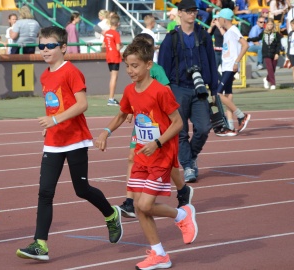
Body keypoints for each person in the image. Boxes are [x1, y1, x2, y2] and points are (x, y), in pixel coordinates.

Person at [15, 26, 123, 261]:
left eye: (50, 46)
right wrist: (50, 126)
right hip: (54, 141)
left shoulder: (71, 72)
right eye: (41, 45)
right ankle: (40, 244)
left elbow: (82, 104)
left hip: (75, 140)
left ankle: (111, 214)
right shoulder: (44, 75)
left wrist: (55, 119)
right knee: (45, 192)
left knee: (81, 189)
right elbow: (53, 104)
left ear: (63, 47)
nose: (45, 50)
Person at [96, 38, 198, 270]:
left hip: (161, 155)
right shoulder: (130, 91)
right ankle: (159, 254)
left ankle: (183, 216)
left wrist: (159, 142)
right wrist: (105, 132)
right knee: (140, 208)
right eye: (127, 66)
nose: (130, 71)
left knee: (144, 205)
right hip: (142, 155)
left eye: (135, 66)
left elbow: (178, 123)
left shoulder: (161, 91)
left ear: (148, 65)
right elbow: (123, 114)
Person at [118, 33, 194, 219]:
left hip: (159, 125)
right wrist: (130, 110)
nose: (131, 69)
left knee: (165, 162)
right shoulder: (133, 77)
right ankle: (130, 201)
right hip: (143, 123)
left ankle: (182, 189)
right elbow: (134, 97)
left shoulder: (157, 71)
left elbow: (166, 92)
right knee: (132, 157)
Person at [158, 0, 219, 183]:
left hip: (199, 89)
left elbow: (212, 63)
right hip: (178, 88)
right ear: (180, 13)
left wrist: (214, 89)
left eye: (195, 11)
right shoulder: (172, 38)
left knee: (204, 128)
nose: (193, 14)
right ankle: (188, 165)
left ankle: (190, 157)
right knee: (181, 131)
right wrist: (165, 90)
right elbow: (162, 67)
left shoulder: (204, 36)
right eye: (189, 11)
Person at [215, 8, 252, 136]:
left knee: (217, 94)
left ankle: (241, 115)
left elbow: (245, 45)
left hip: (230, 66)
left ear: (224, 19)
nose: (218, 20)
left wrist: (236, 62)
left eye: (219, 18)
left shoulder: (234, 30)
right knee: (227, 95)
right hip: (226, 66)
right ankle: (230, 127)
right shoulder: (228, 32)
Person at [248, 20, 283, 90]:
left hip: (274, 53)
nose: (270, 26)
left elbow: (278, 45)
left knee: (273, 69)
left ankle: (266, 79)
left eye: (271, 24)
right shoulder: (263, 33)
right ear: (266, 25)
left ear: (273, 25)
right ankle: (273, 83)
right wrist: (248, 39)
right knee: (269, 68)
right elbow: (257, 38)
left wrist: (277, 53)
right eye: (268, 24)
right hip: (266, 53)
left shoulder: (277, 34)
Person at [103, 14, 122, 106]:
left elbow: (103, 45)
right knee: (114, 77)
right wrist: (121, 45)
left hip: (109, 56)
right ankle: (111, 98)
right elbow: (118, 47)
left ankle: (111, 97)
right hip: (115, 56)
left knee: (112, 77)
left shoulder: (107, 33)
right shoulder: (116, 34)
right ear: (117, 23)